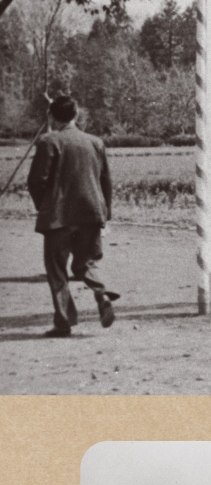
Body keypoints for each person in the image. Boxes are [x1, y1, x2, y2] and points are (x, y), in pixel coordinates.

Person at [27, 94, 119, 338]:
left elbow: (37, 181)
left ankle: (64, 322)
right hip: (91, 212)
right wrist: (105, 212)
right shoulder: (95, 142)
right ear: (76, 115)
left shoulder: (49, 141)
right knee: (86, 262)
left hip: (59, 216)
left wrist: (44, 207)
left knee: (57, 268)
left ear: (52, 117)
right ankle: (101, 293)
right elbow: (105, 180)